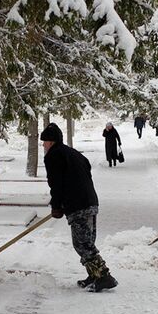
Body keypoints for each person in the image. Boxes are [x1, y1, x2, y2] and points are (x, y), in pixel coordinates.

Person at [41, 123, 118, 292]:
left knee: (82, 244)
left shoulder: (53, 156)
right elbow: (86, 168)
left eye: (45, 142)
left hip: (77, 205)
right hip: (90, 201)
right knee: (86, 241)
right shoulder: (72, 153)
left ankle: (104, 276)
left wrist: (56, 206)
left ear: (51, 142)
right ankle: (94, 274)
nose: (43, 145)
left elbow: (56, 184)